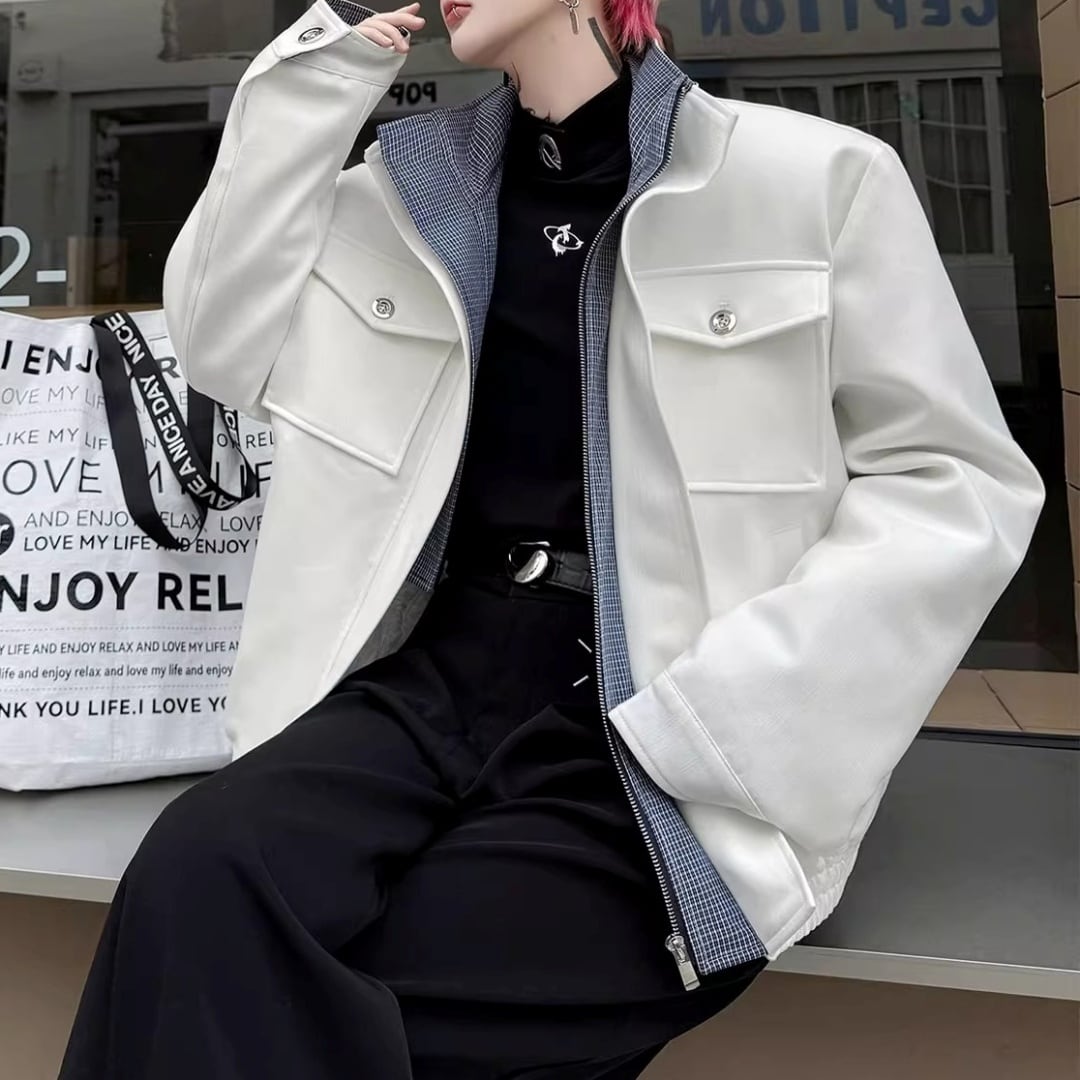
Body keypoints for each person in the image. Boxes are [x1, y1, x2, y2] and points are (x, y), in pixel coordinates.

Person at [59, 0, 1045, 1077]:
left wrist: (735, 718)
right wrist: (318, 71)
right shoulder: (401, 195)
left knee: (386, 984)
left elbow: (953, 483)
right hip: (431, 674)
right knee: (197, 871)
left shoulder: (811, 180)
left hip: (659, 704)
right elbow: (217, 343)